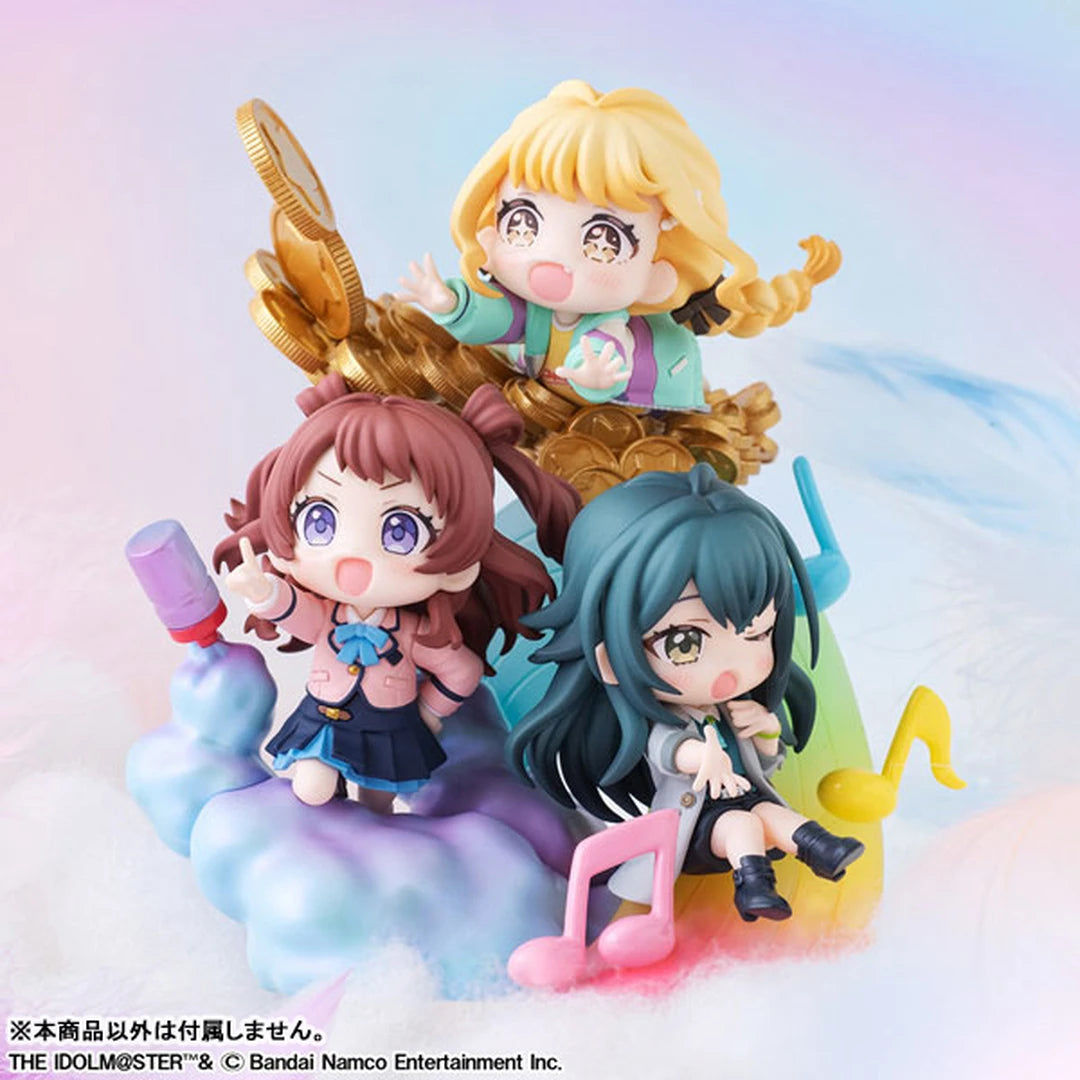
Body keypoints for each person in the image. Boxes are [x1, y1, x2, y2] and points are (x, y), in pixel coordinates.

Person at [214, 375, 580, 808]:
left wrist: (429, 713)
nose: (352, 556)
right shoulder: (328, 617)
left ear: (459, 569)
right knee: (312, 786)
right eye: (319, 520)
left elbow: (461, 670)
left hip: (389, 728)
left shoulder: (412, 633)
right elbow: (297, 613)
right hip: (325, 717)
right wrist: (263, 591)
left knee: (378, 805)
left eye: (401, 531)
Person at [399, 80, 839, 412]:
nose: (550, 260)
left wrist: (595, 377)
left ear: (657, 270)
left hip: (630, 416)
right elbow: (500, 318)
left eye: (606, 242)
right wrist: (452, 304)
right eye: (522, 223)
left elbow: (606, 356)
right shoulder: (528, 308)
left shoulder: (608, 325)